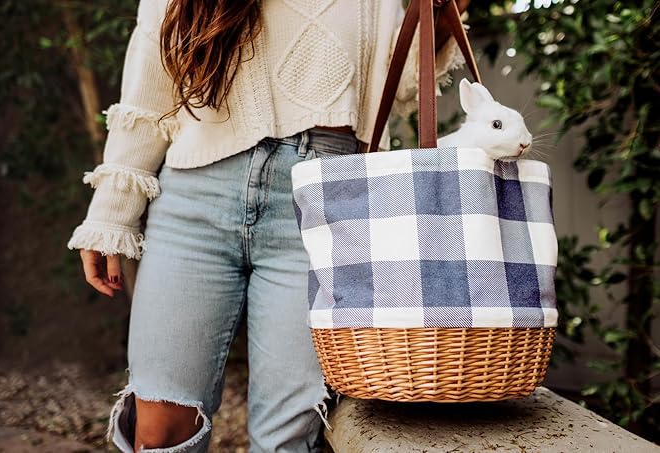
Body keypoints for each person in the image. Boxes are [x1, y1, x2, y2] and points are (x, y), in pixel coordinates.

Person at [67, 0, 469, 451]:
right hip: (193, 196)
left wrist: (444, 12)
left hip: (323, 199)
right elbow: (149, 90)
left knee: (287, 438)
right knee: (158, 432)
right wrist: (110, 213)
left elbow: (403, 80)